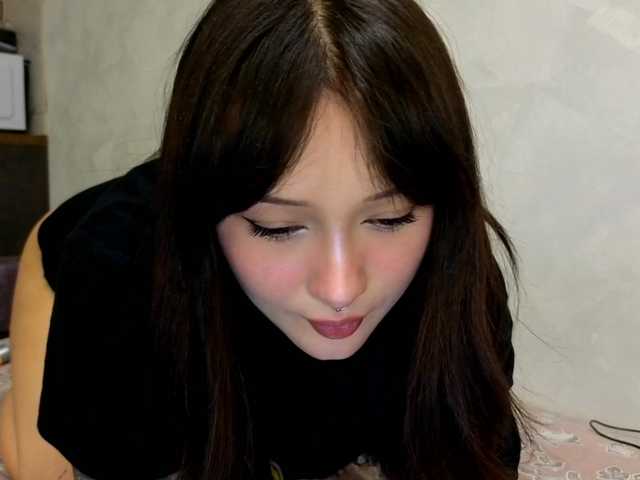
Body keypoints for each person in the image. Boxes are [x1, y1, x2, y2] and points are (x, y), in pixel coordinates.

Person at [0, 0, 541, 479]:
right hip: (69, 249)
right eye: (276, 226)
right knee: (39, 469)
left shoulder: (458, 271)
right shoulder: (119, 269)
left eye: (391, 217)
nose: (340, 289)